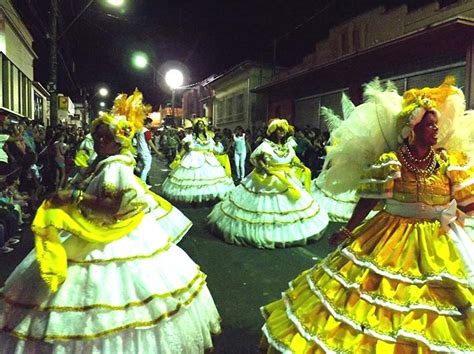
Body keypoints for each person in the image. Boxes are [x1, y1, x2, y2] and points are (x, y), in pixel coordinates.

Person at [260, 78, 474, 352]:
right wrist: (348, 230)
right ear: (413, 128)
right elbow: (369, 200)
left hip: (440, 238)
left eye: (436, 124)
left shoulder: (448, 162)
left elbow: (467, 201)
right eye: (429, 124)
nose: (436, 129)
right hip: (392, 235)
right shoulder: (392, 160)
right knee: (377, 299)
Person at [0, 90, 220, 353]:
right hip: (95, 229)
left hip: (113, 233)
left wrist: (73, 196)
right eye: (97, 137)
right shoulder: (104, 162)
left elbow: (112, 206)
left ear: (119, 141)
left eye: (106, 138)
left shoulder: (115, 167)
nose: (99, 141)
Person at [208, 119, 329, 248]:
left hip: (287, 177)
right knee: (263, 207)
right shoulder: (266, 146)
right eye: (279, 129)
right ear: (273, 132)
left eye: (284, 129)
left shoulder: (289, 145)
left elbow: (292, 160)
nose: (282, 132)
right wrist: (265, 168)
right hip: (268, 178)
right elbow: (255, 158)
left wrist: (299, 165)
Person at [161, 117, 234, 204]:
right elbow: (185, 147)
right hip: (193, 159)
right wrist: (179, 156)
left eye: (203, 124)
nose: (201, 126)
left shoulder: (209, 137)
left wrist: (220, 153)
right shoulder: (191, 137)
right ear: (195, 126)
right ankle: (195, 200)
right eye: (199, 124)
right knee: (193, 180)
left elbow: (212, 149)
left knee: (209, 180)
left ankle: (208, 198)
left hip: (208, 159)